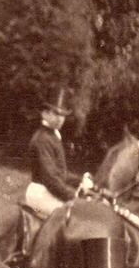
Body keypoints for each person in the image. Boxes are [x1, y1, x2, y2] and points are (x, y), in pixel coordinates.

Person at [19, 92, 89, 254]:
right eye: (55, 113)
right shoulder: (42, 139)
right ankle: (46, 259)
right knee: (74, 216)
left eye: (63, 115)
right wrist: (73, 196)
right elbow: (50, 178)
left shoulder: (53, 136)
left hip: (49, 189)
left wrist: (80, 180)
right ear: (44, 113)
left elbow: (60, 173)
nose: (60, 119)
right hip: (41, 192)